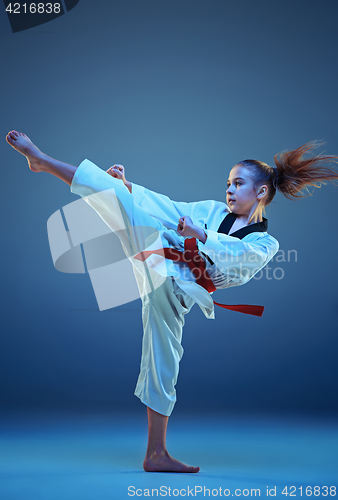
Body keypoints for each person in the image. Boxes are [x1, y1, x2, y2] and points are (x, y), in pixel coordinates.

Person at [6, 130, 338, 473]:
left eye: (237, 183)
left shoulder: (266, 244)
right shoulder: (211, 209)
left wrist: (201, 234)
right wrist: (130, 188)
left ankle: (155, 454)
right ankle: (42, 161)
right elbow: (170, 209)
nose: (229, 189)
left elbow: (237, 255)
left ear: (261, 192)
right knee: (115, 192)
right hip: (158, 251)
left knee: (163, 359)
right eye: (228, 183)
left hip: (181, 289)